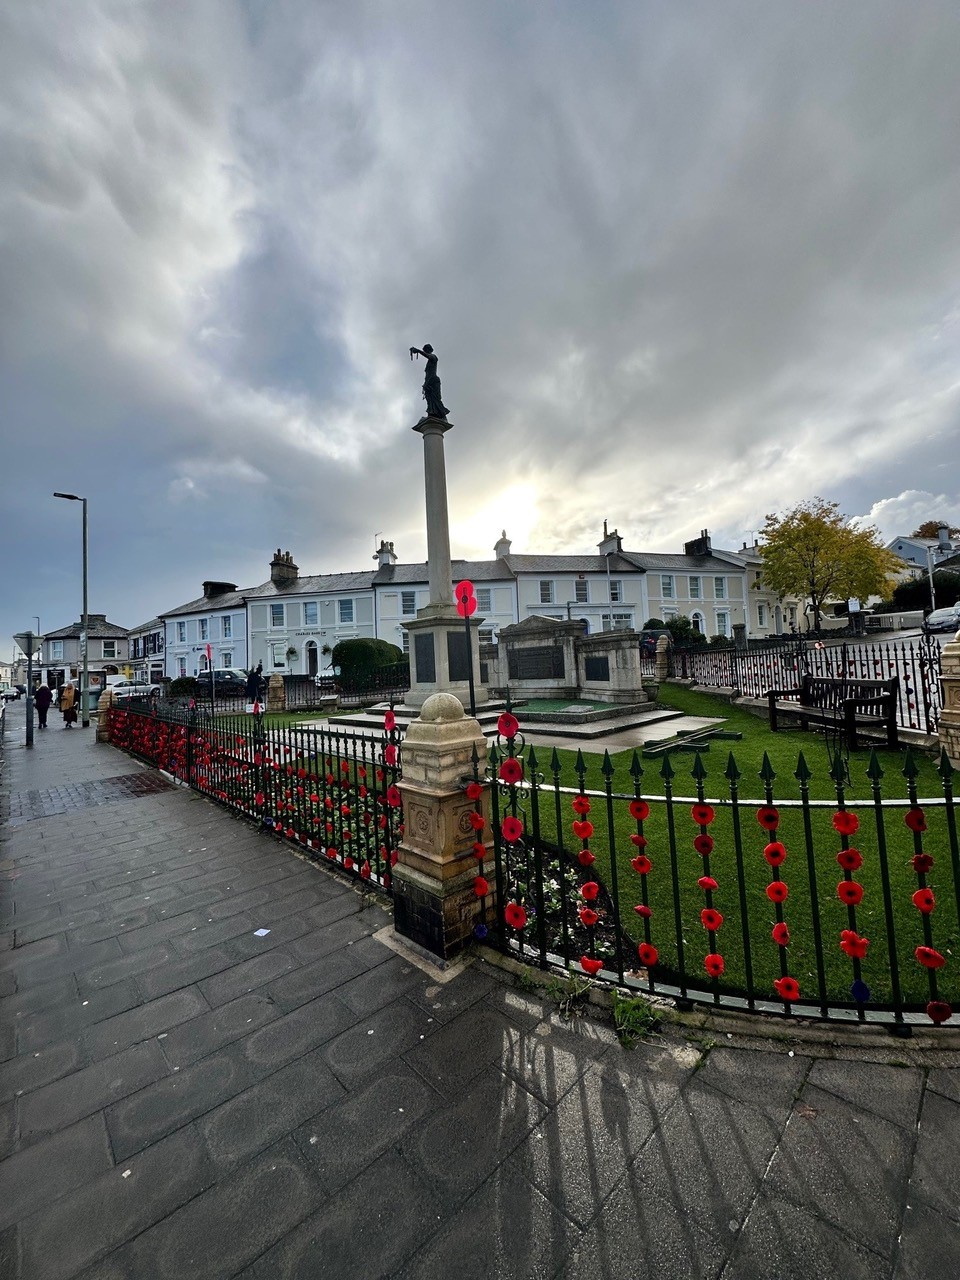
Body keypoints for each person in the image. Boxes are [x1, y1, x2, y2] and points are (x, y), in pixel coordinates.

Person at [409, 344, 449, 420]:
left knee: (436, 399)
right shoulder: (429, 361)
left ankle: (443, 416)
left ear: (429, 350)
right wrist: (425, 384)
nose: (424, 351)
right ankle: (432, 413)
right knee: (430, 400)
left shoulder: (434, 357)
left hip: (434, 381)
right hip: (428, 382)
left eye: (425, 350)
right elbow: (428, 375)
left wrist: (418, 351)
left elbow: (429, 356)